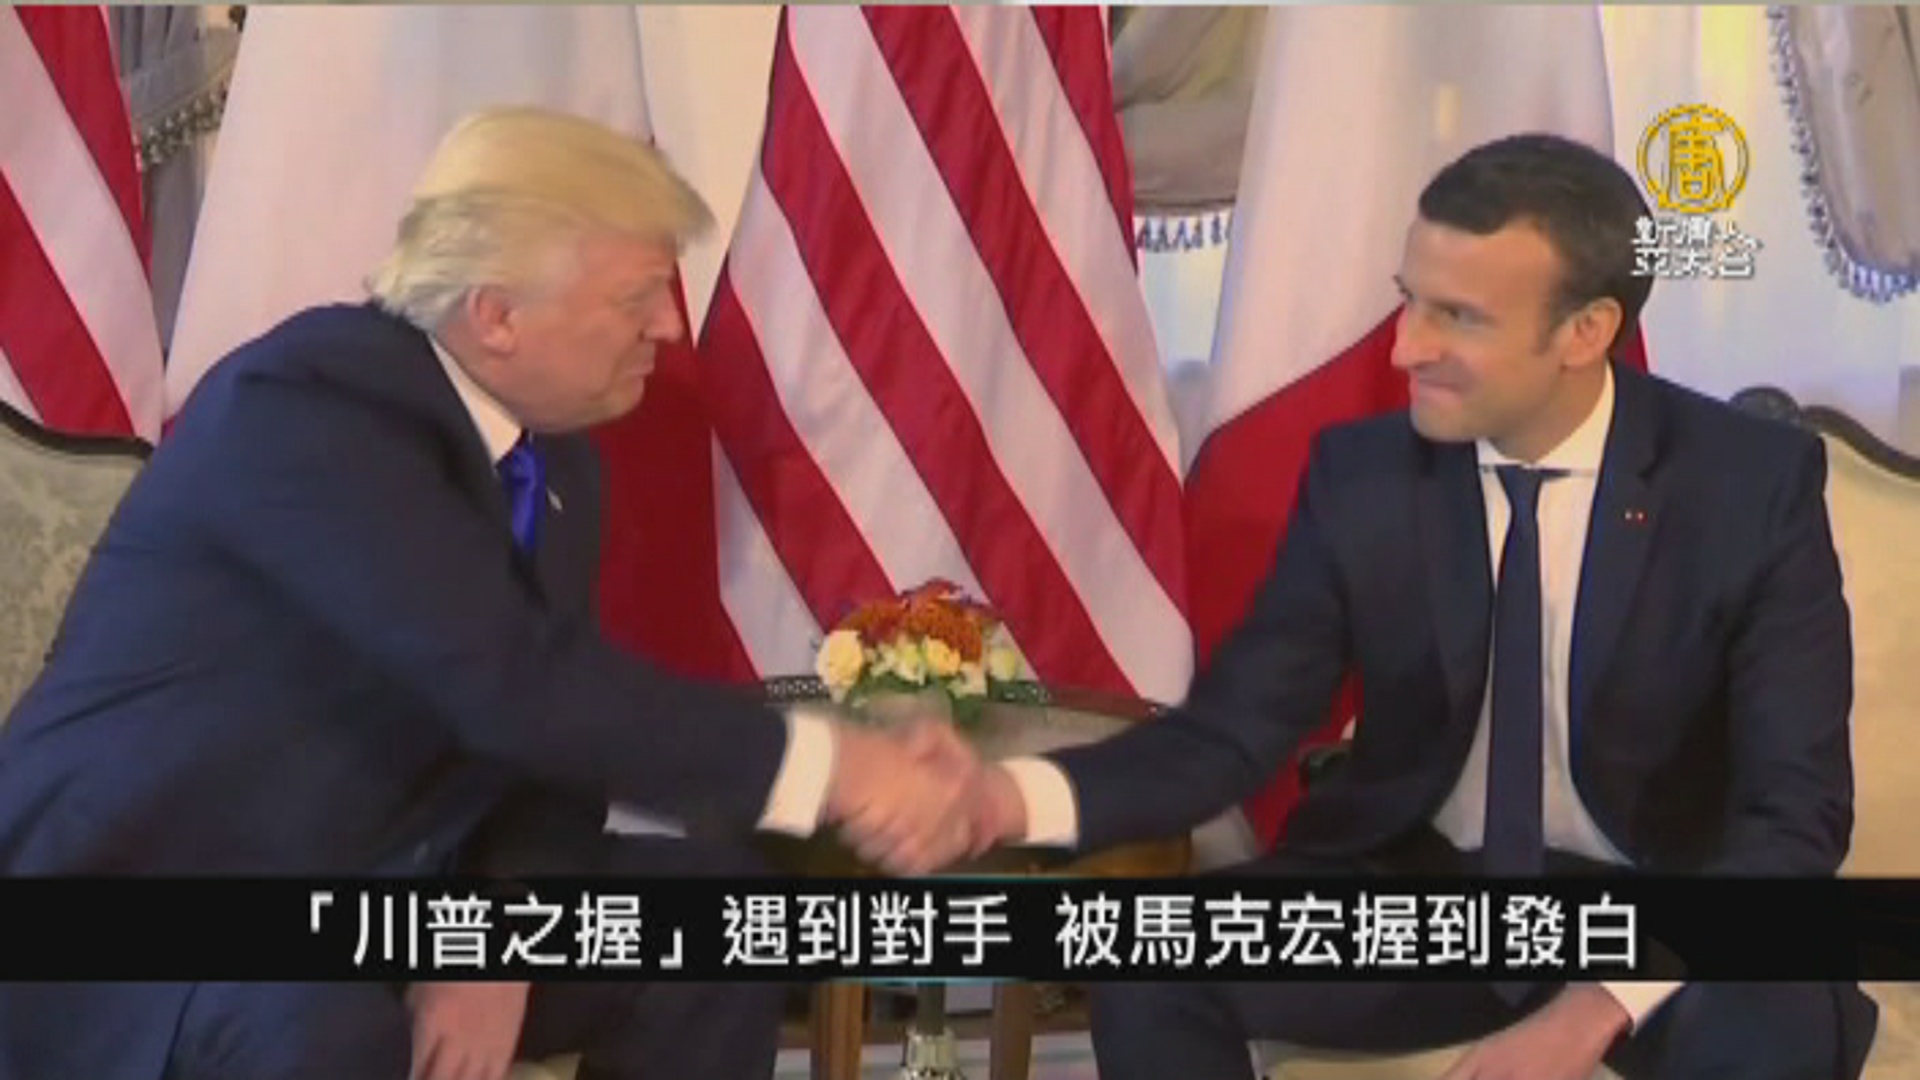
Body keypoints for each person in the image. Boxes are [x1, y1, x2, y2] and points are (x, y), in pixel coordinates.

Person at [0, 106, 975, 1080]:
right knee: (326, 1024)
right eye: (635, 296)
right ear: (497, 315)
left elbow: (550, 756)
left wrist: (501, 928)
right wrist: (837, 768)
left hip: (378, 892)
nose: (668, 326)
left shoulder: (555, 466)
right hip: (156, 911)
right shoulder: (310, 408)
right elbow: (514, 683)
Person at [915, 133, 1880, 1079]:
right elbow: (1230, 734)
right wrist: (1011, 797)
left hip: (1668, 901)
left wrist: (1599, 1003)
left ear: (1585, 333)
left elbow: (1793, 816)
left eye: (1457, 317)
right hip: (1427, 890)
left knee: (1770, 1028)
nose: (1407, 347)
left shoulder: (1746, 487)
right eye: (1408, 300)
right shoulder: (1365, 477)